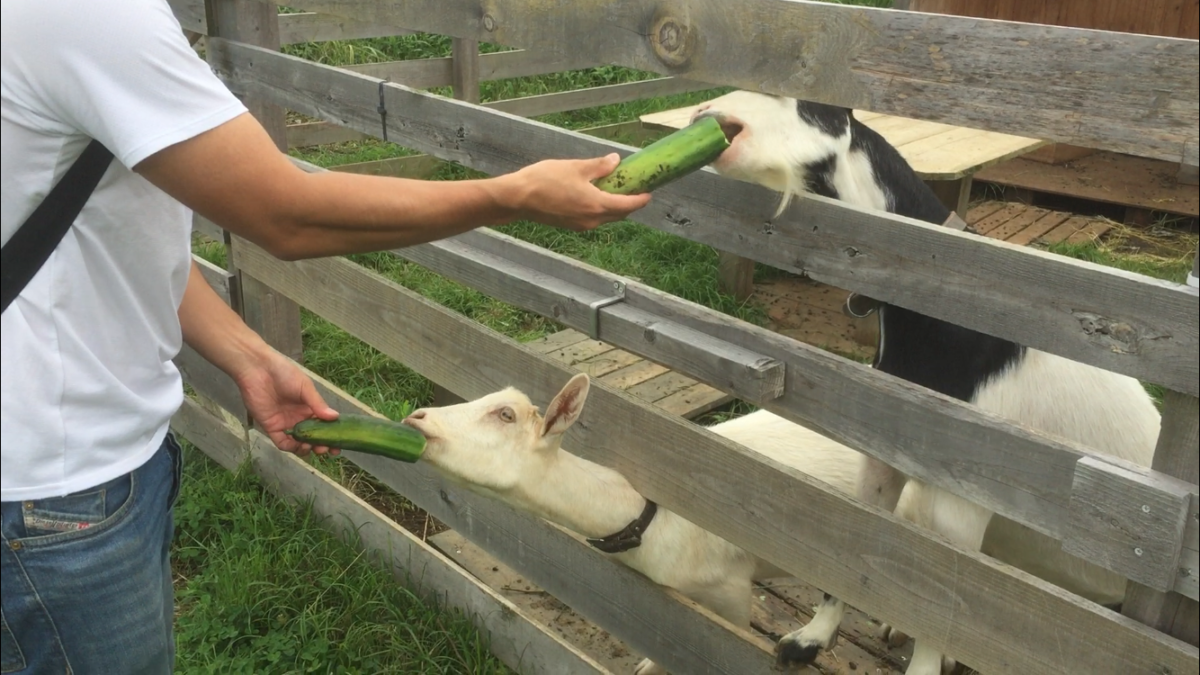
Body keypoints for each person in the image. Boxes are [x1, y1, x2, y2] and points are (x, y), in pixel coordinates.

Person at [0, 1, 651, 673]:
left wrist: (246, 351)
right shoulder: (84, 13)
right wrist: (511, 195)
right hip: (55, 494)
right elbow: (287, 216)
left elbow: (85, 226)